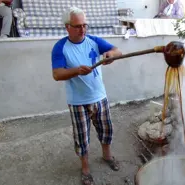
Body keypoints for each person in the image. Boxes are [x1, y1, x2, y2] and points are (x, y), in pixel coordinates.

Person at [51, 6, 122, 185]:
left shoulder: (93, 41)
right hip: (78, 101)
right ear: (67, 27)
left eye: (85, 25)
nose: (82, 29)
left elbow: (117, 50)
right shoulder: (60, 47)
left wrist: (110, 55)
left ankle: (107, 156)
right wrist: (76, 71)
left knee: (106, 130)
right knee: (82, 137)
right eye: (77, 26)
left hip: (100, 97)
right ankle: (85, 168)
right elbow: (57, 74)